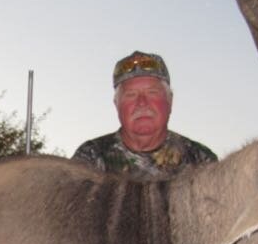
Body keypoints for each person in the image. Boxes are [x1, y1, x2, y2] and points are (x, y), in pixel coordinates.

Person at [72, 50, 217, 177]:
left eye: (152, 92)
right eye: (131, 95)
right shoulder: (90, 158)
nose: (142, 103)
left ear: (170, 100)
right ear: (117, 104)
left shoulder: (200, 161)